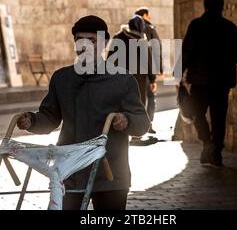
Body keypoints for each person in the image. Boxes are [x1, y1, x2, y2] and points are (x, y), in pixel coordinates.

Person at [16, 15, 150, 209]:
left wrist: (126, 120)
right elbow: (49, 116)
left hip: (110, 174)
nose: (84, 45)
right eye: (79, 39)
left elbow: (142, 124)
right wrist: (32, 121)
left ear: (104, 42)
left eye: (92, 40)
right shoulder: (62, 78)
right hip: (70, 172)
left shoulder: (122, 80)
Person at [181, 0, 237, 166]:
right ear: (221, 7)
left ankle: (207, 141)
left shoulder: (197, 25)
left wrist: (178, 71)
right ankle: (216, 149)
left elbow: (187, 50)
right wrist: (226, 63)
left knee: (197, 113)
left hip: (199, 80)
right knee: (219, 116)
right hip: (221, 81)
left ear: (205, 6)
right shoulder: (229, 27)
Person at [108, 14, 157, 142]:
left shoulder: (118, 37)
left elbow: (109, 58)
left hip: (119, 77)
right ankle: (135, 133)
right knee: (138, 104)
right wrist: (152, 79)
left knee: (119, 103)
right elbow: (148, 61)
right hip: (138, 79)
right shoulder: (141, 40)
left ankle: (119, 129)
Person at [134, 7, 163, 130]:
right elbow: (156, 49)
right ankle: (147, 124)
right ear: (145, 15)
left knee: (136, 97)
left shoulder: (129, 29)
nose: (150, 16)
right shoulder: (149, 28)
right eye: (149, 14)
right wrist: (158, 70)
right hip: (145, 70)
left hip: (132, 70)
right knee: (150, 96)